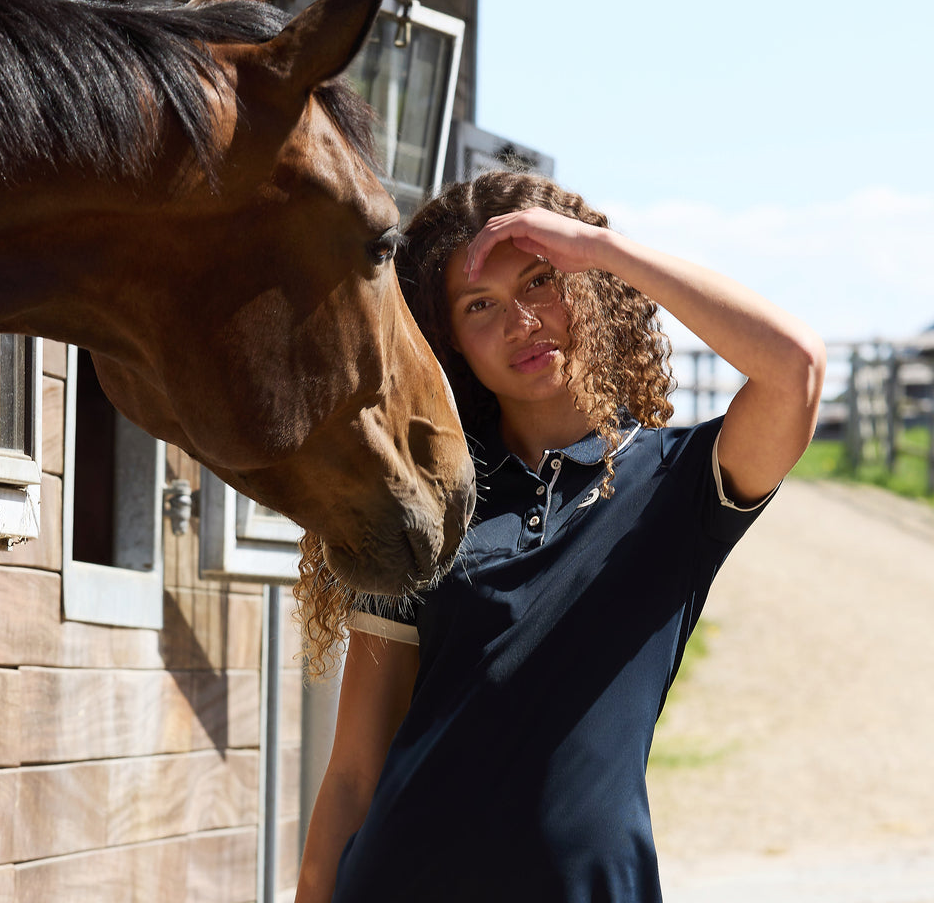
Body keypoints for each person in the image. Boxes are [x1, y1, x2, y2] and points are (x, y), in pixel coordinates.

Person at [293, 171, 826, 903]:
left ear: (586, 287)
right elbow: (355, 771)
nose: (521, 322)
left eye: (540, 282)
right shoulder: (425, 499)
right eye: (480, 305)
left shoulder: (679, 482)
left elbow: (796, 368)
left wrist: (605, 251)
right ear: (450, 342)